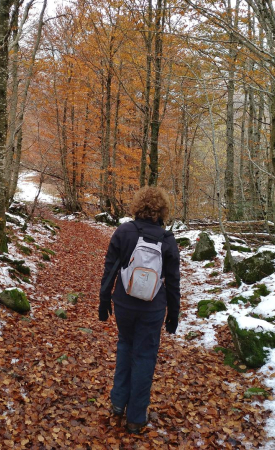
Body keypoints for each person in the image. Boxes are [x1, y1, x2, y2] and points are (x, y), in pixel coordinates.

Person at [98, 186, 180, 434]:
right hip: (153, 308)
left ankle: (117, 403)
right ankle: (135, 417)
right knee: (144, 356)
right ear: (162, 210)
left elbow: (110, 269)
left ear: (137, 206)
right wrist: (173, 314)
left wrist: (104, 301)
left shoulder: (124, 232)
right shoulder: (167, 240)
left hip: (123, 303)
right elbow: (174, 282)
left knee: (125, 345)